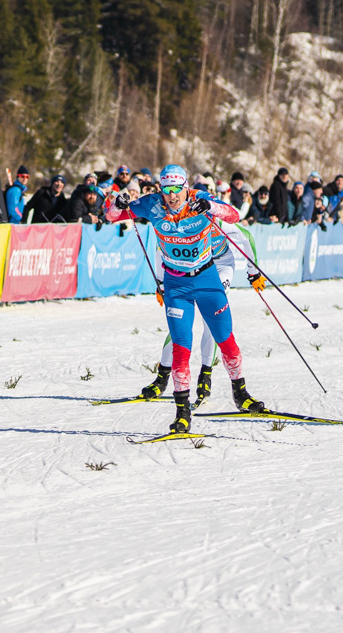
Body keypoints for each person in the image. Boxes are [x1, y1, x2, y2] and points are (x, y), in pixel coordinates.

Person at [104, 164, 265, 435]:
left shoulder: (199, 200)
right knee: (181, 347)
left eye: (176, 189)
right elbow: (112, 216)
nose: (172, 196)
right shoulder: (152, 205)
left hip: (207, 280)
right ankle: (182, 414)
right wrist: (116, 204)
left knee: (226, 340)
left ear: (185, 187)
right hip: (176, 285)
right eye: (167, 190)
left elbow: (234, 215)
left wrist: (212, 207)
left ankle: (241, 394)